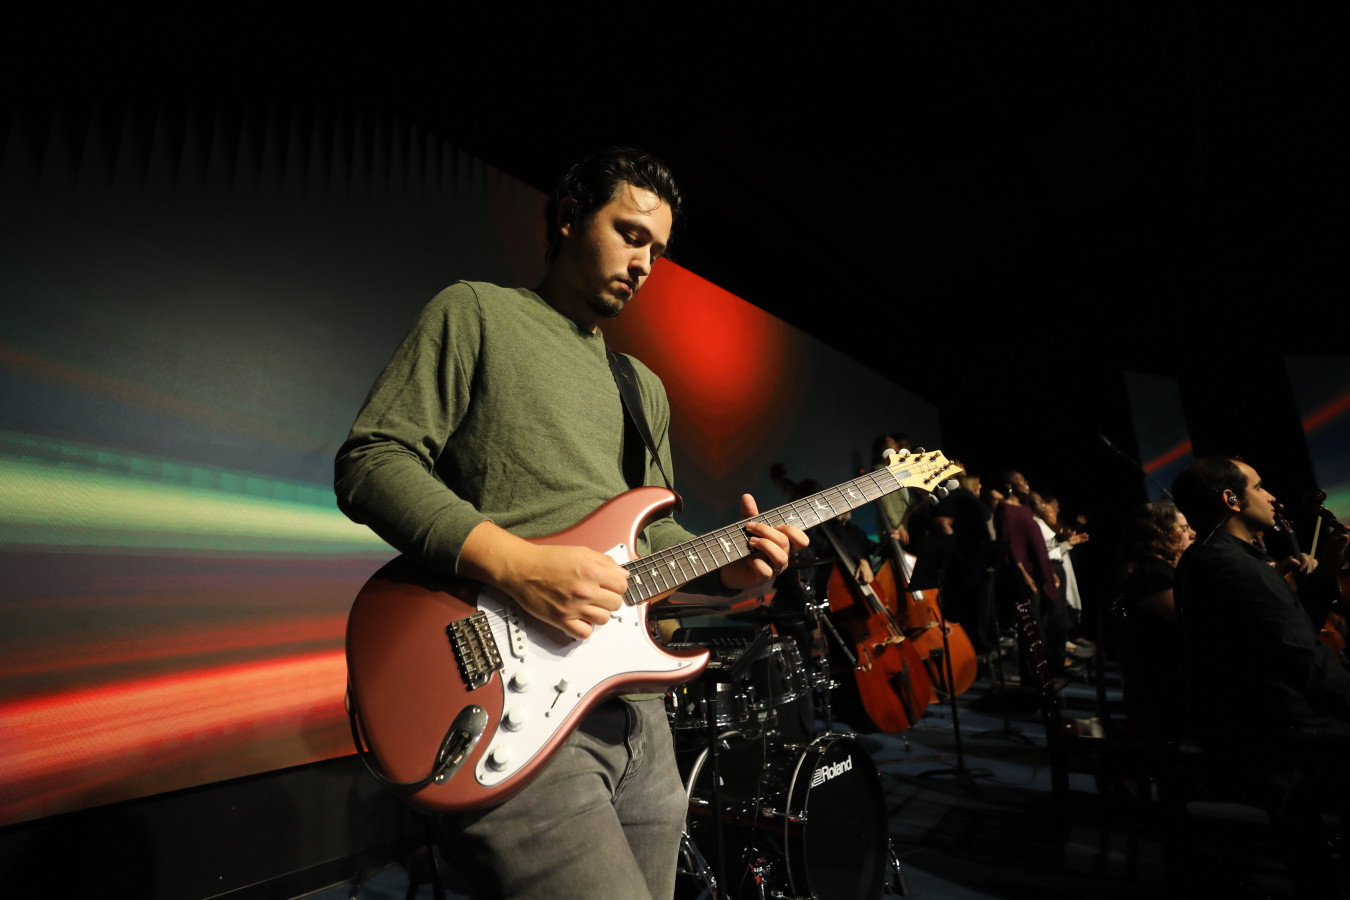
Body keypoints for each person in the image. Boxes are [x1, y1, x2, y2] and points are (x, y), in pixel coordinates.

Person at [334, 148, 807, 900]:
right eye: (629, 234)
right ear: (567, 218)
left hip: (641, 721)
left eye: (657, 249)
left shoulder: (641, 388)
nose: (644, 263)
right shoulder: (477, 312)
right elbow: (372, 461)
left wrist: (732, 571)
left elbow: (649, 546)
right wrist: (519, 566)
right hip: (514, 707)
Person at [1173, 456, 1350, 894]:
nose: (1272, 497)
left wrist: (1326, 572)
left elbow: (1286, 634)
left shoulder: (1212, 557)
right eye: (1259, 487)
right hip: (1277, 739)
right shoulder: (1235, 567)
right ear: (1230, 499)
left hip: (1257, 723)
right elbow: (1305, 662)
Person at [1116, 500, 1193, 738]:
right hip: (1164, 694)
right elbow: (1195, 623)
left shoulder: (1159, 571)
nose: (1192, 533)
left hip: (1168, 683)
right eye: (1183, 529)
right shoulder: (1153, 574)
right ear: (1160, 534)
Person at [993, 470, 1066, 675]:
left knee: (1042, 623)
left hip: (1037, 572)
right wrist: (1023, 574)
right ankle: (1033, 675)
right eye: (1020, 479)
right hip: (1024, 575)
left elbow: (1037, 544)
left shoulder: (1023, 509)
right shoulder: (1005, 509)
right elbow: (1009, 544)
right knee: (1031, 626)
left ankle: (1044, 671)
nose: (1025, 482)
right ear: (1009, 484)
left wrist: (1048, 571)